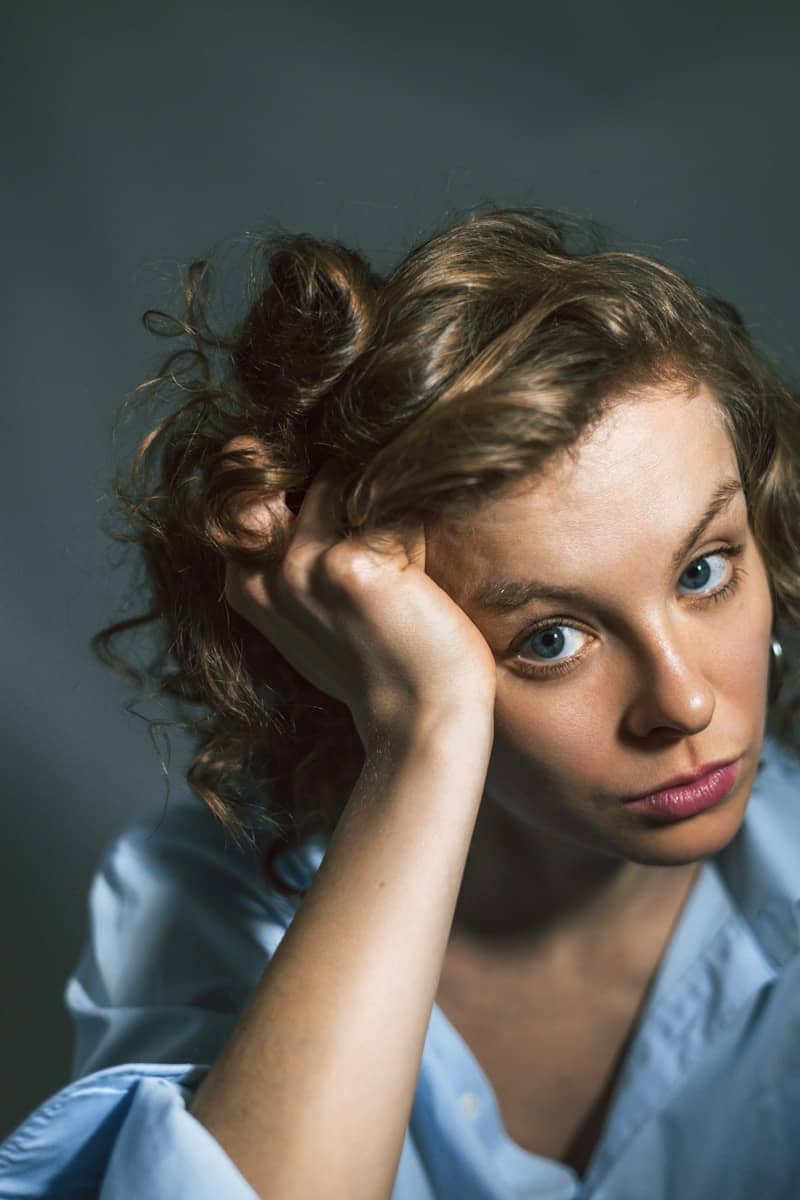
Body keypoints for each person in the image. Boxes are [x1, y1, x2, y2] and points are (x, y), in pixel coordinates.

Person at [1, 207, 799, 1200]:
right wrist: (424, 735)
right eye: (546, 640)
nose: (681, 701)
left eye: (703, 570)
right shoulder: (197, 901)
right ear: (365, 647)